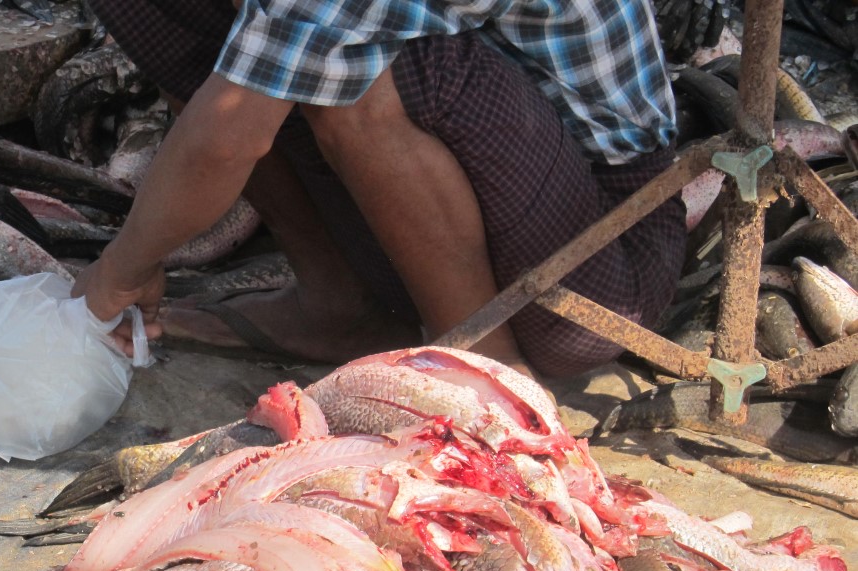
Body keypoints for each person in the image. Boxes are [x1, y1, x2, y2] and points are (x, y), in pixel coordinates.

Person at [69, 0, 690, 380]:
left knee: (355, 61)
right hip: (476, 223)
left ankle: (484, 367)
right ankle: (340, 304)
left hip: (597, 264)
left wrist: (121, 271)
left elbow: (229, 132)